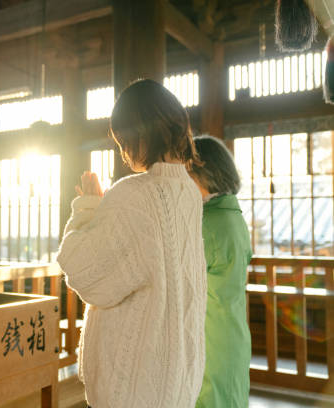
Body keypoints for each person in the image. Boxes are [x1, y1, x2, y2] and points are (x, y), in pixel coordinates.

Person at [57, 79, 207, 407]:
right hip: (179, 373)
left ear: (138, 133)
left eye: (123, 140)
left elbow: (86, 274)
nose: (124, 151)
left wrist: (89, 206)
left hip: (134, 380)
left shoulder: (134, 193)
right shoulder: (189, 194)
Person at [189, 135, 252, 408]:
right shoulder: (232, 216)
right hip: (232, 332)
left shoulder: (208, 222)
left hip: (211, 337)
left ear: (202, 170)